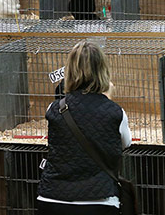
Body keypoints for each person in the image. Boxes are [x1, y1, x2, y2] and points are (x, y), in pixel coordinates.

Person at [37, 41, 131, 215]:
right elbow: (125, 144)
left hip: (52, 199)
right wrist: (107, 102)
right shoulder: (116, 112)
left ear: (70, 71)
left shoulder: (54, 109)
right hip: (99, 201)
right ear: (103, 70)